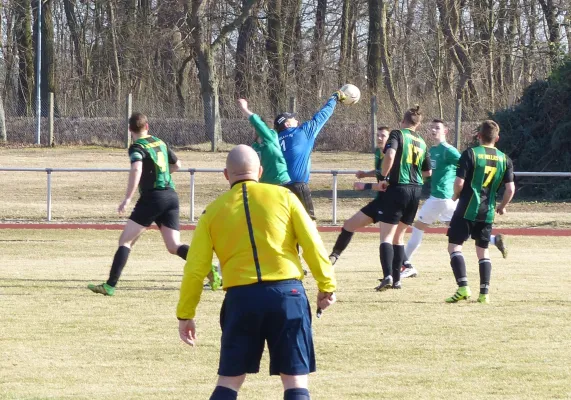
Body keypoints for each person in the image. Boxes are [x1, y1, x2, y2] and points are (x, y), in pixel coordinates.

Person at [177, 145, 336, 400]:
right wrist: (326, 285)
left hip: (241, 299)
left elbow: (196, 269)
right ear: (260, 171)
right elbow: (312, 244)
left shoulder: (212, 212)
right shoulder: (285, 197)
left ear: (226, 175)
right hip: (288, 294)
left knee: (229, 381)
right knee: (295, 381)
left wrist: (186, 314)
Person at [88, 112, 189, 296]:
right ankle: (210, 270)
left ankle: (110, 285)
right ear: (147, 126)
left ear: (129, 130)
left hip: (153, 199)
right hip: (171, 196)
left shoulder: (137, 147)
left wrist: (128, 197)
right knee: (174, 246)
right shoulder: (160, 142)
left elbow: (136, 168)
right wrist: (162, 175)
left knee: (125, 241)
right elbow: (177, 165)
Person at [400, 120, 507, 279]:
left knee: (418, 228)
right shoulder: (433, 150)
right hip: (444, 199)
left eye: (437, 128)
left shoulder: (448, 150)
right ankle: (493, 239)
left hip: (442, 197)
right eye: (432, 127)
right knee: (459, 231)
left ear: (446, 131)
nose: (433, 130)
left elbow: (466, 165)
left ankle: (405, 264)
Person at [445, 120, 515, 304]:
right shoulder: (504, 159)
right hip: (488, 211)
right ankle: (484, 294)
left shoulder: (470, 154)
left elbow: (459, 183)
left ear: (479, 136)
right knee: (483, 251)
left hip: (467, 208)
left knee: (454, 247)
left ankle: (463, 287)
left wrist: (455, 195)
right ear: (497, 138)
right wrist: (502, 206)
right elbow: (510, 189)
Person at [372, 105, 432, 291]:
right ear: (418, 125)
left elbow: (390, 154)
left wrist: (383, 177)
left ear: (402, 121)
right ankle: (397, 280)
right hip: (416, 191)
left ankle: (388, 275)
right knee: (399, 237)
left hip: (398, 188)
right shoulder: (422, 141)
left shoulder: (397, 134)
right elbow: (428, 171)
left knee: (386, 236)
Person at [276, 89, 346, 219]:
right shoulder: (303, 132)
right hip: (297, 186)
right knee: (308, 225)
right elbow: (323, 115)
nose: (297, 120)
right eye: (293, 119)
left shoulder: (273, 139)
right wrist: (334, 98)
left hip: (278, 189)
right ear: (286, 124)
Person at [328, 126, 390, 265]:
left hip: (390, 201)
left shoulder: (391, 155)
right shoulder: (378, 152)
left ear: (390, 138)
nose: (379, 138)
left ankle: (404, 266)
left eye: (383, 136)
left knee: (389, 238)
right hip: (380, 200)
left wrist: (366, 186)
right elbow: (380, 171)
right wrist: (365, 174)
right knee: (349, 224)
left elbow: (388, 184)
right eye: (378, 135)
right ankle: (333, 257)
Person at [237, 98, 291, 186]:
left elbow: (257, 123)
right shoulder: (255, 146)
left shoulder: (271, 136)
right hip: (264, 185)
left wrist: (244, 109)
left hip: (280, 182)